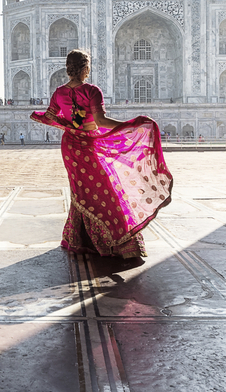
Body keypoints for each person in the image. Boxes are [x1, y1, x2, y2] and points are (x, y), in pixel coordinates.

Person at [30, 48, 173, 260]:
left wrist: (69, 126)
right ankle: (116, 240)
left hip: (70, 145)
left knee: (82, 191)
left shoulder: (59, 92)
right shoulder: (91, 90)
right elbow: (101, 122)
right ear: (86, 69)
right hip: (87, 143)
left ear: (68, 69)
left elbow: (50, 117)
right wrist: (130, 126)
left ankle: (80, 239)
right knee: (105, 187)